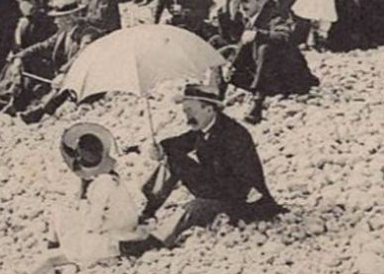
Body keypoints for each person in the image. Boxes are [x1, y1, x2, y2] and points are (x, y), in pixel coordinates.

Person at [119, 82, 285, 254]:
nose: (187, 117)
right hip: (221, 189)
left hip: (245, 203)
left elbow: (242, 183)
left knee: (195, 207)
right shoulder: (206, 127)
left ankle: (156, 242)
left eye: (190, 111)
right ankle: (149, 210)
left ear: (209, 109)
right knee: (172, 159)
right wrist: (157, 149)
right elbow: (178, 143)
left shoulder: (234, 135)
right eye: (185, 112)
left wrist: (194, 175)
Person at [16, 123, 146, 274]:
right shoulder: (114, 178)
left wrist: (82, 218)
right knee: (65, 223)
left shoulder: (100, 185)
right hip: (127, 230)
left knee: (54, 250)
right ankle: (49, 253)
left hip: (111, 241)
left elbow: (94, 223)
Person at [218, 0, 318, 125]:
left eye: (246, 2)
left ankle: (257, 104)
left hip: (289, 79)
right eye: (239, 3)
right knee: (225, 53)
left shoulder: (273, 15)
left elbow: (284, 36)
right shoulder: (249, 20)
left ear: (260, 0)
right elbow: (236, 45)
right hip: (267, 77)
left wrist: (258, 34)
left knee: (266, 48)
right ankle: (217, 98)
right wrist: (230, 66)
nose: (242, 7)